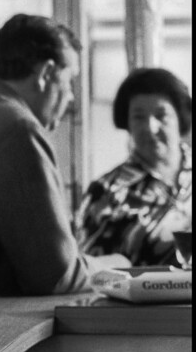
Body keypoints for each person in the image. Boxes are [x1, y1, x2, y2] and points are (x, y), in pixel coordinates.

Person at [0, 14, 130, 299]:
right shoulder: (18, 131)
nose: (71, 98)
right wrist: (118, 264)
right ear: (46, 74)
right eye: (70, 81)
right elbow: (56, 276)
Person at [76, 67, 192, 266]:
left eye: (161, 115)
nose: (150, 127)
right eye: (139, 117)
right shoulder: (106, 192)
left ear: (180, 119)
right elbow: (89, 270)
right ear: (127, 123)